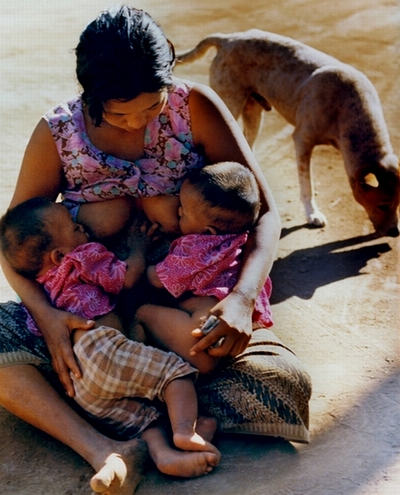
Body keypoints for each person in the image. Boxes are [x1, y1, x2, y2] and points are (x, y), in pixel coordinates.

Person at [0, 5, 312, 495]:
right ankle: (106, 448)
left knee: (284, 384)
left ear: (169, 73)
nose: (134, 123)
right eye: (117, 112)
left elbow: (265, 212)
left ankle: (145, 411)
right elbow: (13, 241)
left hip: (183, 308)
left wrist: (243, 298)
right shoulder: (57, 134)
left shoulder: (197, 108)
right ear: (89, 93)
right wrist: (48, 320)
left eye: (151, 107)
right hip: (90, 318)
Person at [0, 197, 221, 478]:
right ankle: (185, 432)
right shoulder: (83, 256)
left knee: (143, 420)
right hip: (102, 349)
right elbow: (125, 278)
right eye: (75, 227)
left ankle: (163, 455)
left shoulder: (43, 287)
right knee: (176, 375)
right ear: (58, 255)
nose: (83, 229)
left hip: (80, 382)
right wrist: (138, 249)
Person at [136, 161, 274, 374]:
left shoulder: (197, 247)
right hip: (235, 332)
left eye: (183, 214)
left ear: (208, 231)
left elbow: (157, 278)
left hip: (200, 333)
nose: (178, 212)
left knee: (141, 313)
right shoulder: (242, 244)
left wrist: (140, 250)